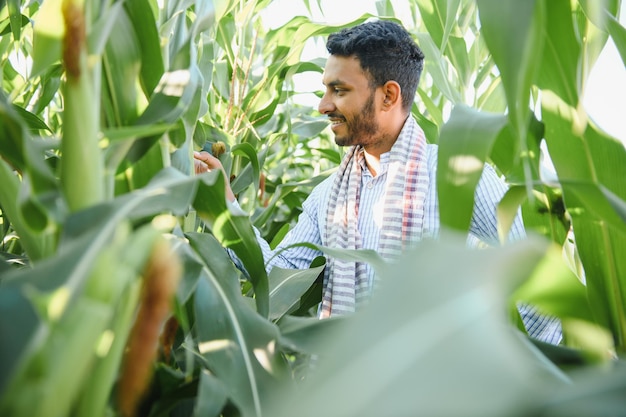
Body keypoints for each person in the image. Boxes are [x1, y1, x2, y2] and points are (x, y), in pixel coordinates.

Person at [194, 19, 561, 344]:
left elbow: (537, 284)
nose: (323, 106)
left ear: (388, 96)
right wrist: (223, 204)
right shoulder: (328, 197)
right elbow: (277, 274)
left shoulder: (458, 175)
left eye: (339, 90)